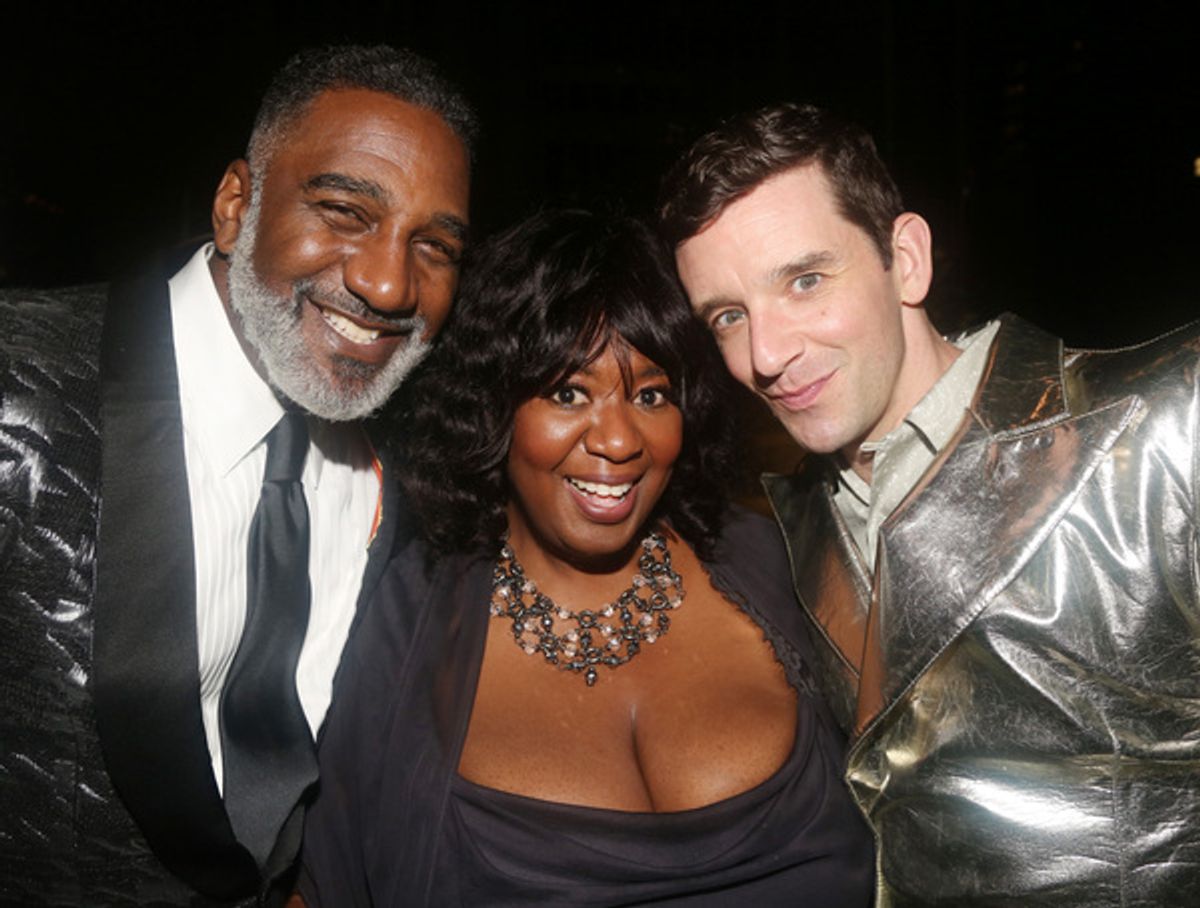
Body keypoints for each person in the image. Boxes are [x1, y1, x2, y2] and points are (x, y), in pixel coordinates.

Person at [657, 101, 1200, 906]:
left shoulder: (1164, 420)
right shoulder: (792, 521)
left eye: (806, 281)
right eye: (730, 317)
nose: (766, 354)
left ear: (906, 260)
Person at [0, 45, 474, 906]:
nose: (387, 281)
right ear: (234, 207)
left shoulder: (393, 468)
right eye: (344, 212)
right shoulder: (16, 388)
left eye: (433, 246)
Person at [296, 209, 875, 907]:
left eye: (651, 395)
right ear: (494, 405)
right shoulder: (398, 621)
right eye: (569, 393)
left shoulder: (786, 565)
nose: (620, 441)